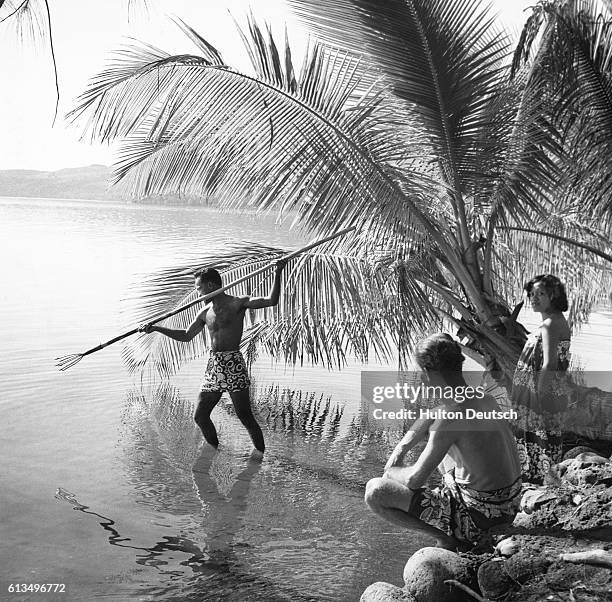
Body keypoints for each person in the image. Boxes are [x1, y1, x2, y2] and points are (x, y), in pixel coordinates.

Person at [365, 334, 522, 550]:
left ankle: (448, 540)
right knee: (442, 451)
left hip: (481, 519)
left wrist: (392, 470)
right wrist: (403, 446)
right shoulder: (486, 398)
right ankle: (453, 523)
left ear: (428, 374)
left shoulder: (448, 420)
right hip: (510, 506)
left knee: (375, 491)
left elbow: (413, 481)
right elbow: (436, 413)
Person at [139, 261, 287, 456]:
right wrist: (156, 328)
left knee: (245, 417)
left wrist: (278, 271)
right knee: (200, 416)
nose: (198, 293)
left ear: (210, 286)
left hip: (233, 362)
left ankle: (259, 456)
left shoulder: (238, 302)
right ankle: (213, 451)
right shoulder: (204, 312)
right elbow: (186, 335)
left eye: (199, 288)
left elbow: (271, 301)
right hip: (214, 366)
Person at [511, 274, 571, 483]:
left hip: (541, 395)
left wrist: (537, 396)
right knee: (545, 440)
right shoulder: (555, 321)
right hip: (551, 392)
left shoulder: (549, 325)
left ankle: (538, 484)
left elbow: (550, 364)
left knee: (538, 440)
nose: (534, 298)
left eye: (541, 294)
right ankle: (544, 482)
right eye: (532, 294)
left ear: (553, 296)